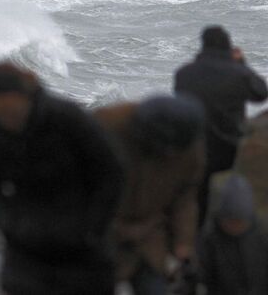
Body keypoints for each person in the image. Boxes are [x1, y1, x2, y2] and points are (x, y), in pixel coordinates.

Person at [0, 62, 124, 295]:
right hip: (26, 244)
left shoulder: (68, 118)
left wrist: (93, 228)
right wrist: (7, 224)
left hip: (80, 242)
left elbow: (110, 173)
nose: (7, 120)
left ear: (26, 99)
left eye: (12, 111)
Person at [95, 96, 205, 295]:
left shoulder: (187, 147)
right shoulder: (107, 129)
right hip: (101, 235)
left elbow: (185, 199)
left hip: (150, 238)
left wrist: (183, 243)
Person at [174, 26, 268, 225]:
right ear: (228, 45)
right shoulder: (238, 73)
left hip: (195, 148)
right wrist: (241, 63)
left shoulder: (184, 74)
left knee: (198, 201)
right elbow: (260, 93)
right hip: (229, 148)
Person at [198, 174, 268, 295]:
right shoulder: (210, 239)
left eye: (240, 222)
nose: (236, 227)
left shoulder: (261, 236)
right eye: (231, 221)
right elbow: (204, 275)